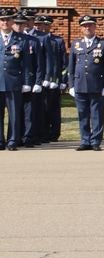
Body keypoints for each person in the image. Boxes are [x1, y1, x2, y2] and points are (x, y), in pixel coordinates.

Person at [65, 15, 104, 152]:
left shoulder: (103, 44)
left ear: (95, 27)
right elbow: (71, 68)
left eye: (90, 25)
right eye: (85, 26)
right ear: (81, 28)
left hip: (97, 85)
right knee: (83, 114)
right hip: (80, 84)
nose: (87, 28)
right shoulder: (76, 44)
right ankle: (85, 140)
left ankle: (95, 141)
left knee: (97, 114)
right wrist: (71, 85)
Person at [0, 8, 35, 151]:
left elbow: (27, 64)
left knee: (14, 113)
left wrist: (27, 82)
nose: (5, 22)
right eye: (2, 20)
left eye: (8, 19)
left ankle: (13, 140)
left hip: (14, 81)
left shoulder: (22, 39)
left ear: (12, 21)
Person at [13, 11, 45, 147]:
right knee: (15, 111)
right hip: (13, 81)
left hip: (29, 81)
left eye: (22, 24)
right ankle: (15, 137)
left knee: (29, 112)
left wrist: (37, 82)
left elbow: (39, 64)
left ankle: (28, 137)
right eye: (17, 24)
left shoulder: (32, 41)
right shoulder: (9, 40)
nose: (19, 27)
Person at [36, 15, 66, 143]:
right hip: (39, 80)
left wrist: (62, 81)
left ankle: (54, 134)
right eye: (40, 24)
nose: (42, 27)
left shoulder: (57, 41)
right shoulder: (35, 39)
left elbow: (63, 63)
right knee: (41, 108)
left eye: (46, 25)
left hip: (54, 81)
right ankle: (42, 133)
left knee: (53, 108)